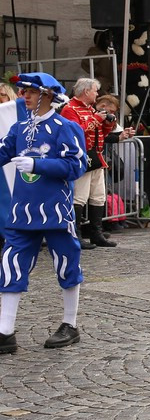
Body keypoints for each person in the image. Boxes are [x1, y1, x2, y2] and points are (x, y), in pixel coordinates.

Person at [0, 73, 88, 354]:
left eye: (29, 91)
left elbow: (76, 166)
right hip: (21, 213)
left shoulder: (66, 127)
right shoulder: (18, 129)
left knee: (66, 264)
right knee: (11, 265)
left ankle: (69, 324)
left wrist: (39, 165)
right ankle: (5, 332)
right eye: (22, 91)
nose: (23, 95)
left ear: (47, 95)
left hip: (55, 212)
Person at [60, 78, 133, 249]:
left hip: (95, 158)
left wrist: (107, 123)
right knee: (79, 197)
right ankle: (75, 235)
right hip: (80, 158)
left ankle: (96, 233)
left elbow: (100, 133)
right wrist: (96, 120)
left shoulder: (88, 108)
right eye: (95, 90)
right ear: (86, 91)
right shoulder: (69, 109)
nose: (97, 94)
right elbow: (76, 131)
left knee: (98, 196)